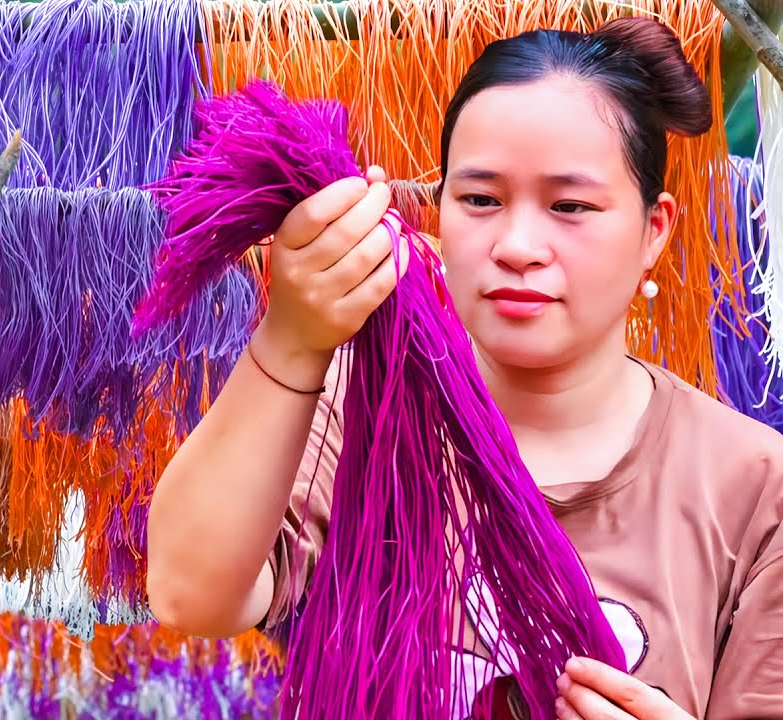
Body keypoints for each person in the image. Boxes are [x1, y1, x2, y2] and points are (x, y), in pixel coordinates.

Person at [146, 17, 782, 720]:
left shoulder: (755, 486)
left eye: (570, 206)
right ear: (440, 208)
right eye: (480, 200)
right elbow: (189, 596)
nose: (516, 246)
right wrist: (291, 340)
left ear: (653, 231)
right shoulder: (353, 412)